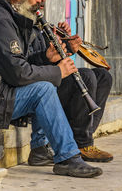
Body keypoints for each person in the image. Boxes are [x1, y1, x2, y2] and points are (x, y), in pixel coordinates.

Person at [0, 0, 102, 178]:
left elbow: (18, 63)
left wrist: (46, 59)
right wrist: (57, 71)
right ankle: (67, 157)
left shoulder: (12, 17)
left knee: (47, 79)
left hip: (0, 91)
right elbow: (18, 74)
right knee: (43, 89)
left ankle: (40, 149)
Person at [27, 18, 113, 166]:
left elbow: (51, 60)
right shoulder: (17, 27)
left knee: (103, 76)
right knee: (86, 76)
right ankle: (82, 143)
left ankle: (82, 138)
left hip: (48, 78)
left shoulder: (39, 26)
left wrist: (65, 43)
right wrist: (48, 56)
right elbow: (26, 67)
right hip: (34, 91)